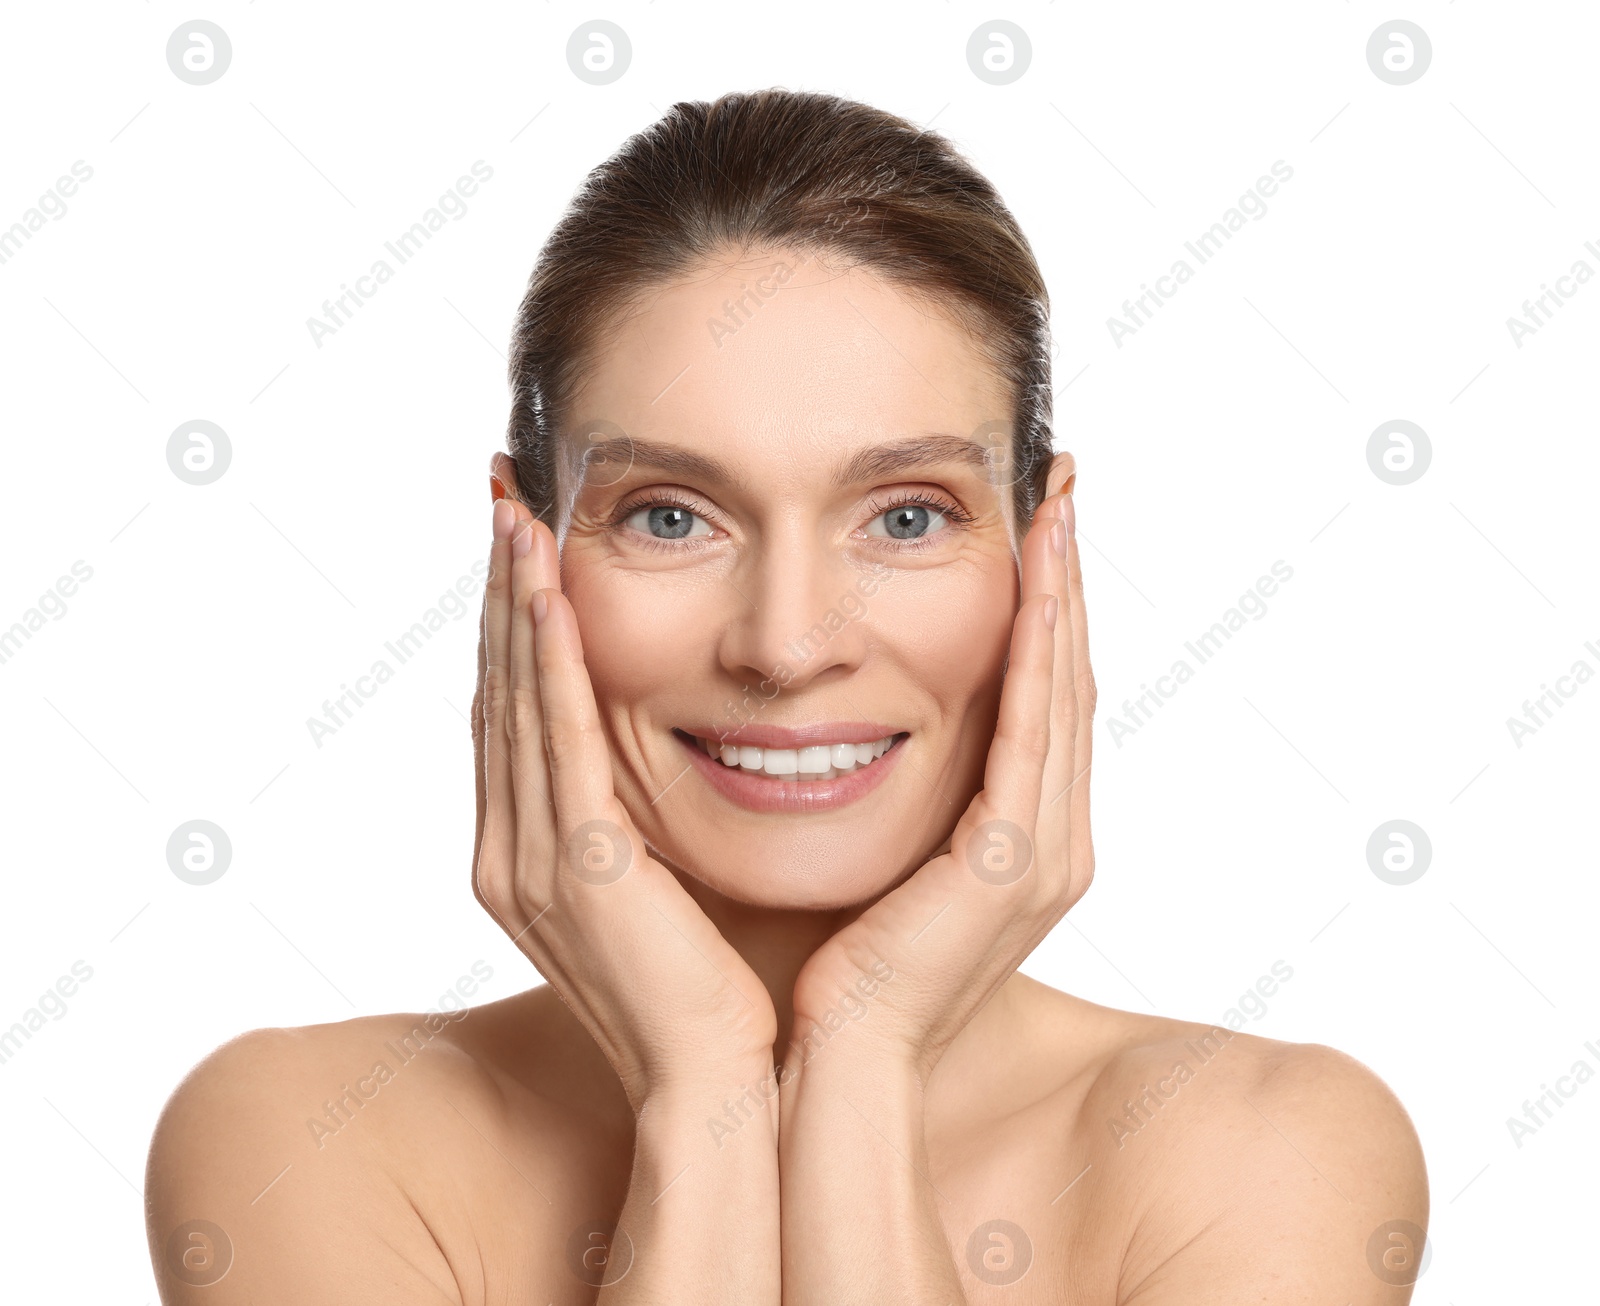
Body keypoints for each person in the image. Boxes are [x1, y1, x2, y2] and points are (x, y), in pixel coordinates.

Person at [145, 89, 1428, 1303]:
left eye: (908, 516)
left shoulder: (1267, 1150)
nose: (785, 642)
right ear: (519, 545)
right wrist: (701, 1078)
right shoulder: (301, 1134)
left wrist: (862, 1063)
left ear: (1046, 546)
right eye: (669, 514)